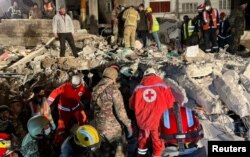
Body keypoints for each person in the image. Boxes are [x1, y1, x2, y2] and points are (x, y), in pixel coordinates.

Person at [129, 68, 175, 157]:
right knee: (157, 141)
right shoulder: (163, 86)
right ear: (155, 75)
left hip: (143, 121)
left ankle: (141, 155)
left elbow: (131, 105)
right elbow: (171, 104)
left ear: (144, 76)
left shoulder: (138, 88)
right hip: (158, 121)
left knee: (143, 139)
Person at [92, 67, 132, 156]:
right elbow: (120, 112)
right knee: (120, 151)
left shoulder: (95, 89)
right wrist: (128, 125)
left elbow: (92, 107)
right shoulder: (114, 90)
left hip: (99, 127)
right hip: (113, 129)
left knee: (105, 152)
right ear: (114, 77)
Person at [47, 75, 91, 145]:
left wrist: (93, 100)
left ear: (80, 84)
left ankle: (83, 136)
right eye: (73, 85)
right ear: (71, 82)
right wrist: (47, 104)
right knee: (62, 126)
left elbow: (88, 94)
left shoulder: (82, 88)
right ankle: (56, 141)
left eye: (76, 86)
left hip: (75, 107)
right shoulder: (65, 87)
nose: (75, 87)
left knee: (83, 119)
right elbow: (55, 92)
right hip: (64, 110)